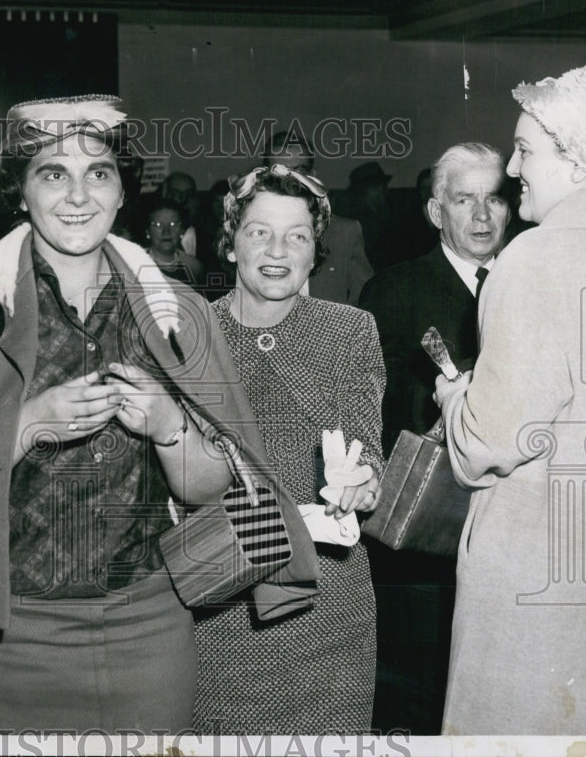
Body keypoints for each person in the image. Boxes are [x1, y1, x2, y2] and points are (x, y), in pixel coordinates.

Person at [0, 95, 320, 734]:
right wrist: (23, 427)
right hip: (4, 641)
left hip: (148, 632)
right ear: (19, 192)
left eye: (98, 173)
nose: (78, 196)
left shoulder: (180, 310)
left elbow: (217, 482)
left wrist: (168, 427)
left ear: (124, 190)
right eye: (52, 174)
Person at [434, 67, 586, 734]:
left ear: (576, 157)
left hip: (538, 581)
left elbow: (484, 446)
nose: (511, 167)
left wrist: (456, 397)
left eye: (526, 149)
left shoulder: (533, 258)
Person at [194, 164, 385, 734]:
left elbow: (367, 451)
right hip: (218, 608)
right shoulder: (189, 332)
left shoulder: (349, 329)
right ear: (230, 246)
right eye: (259, 232)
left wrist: (362, 483)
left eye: (297, 236)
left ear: (314, 254)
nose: (278, 250)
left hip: (328, 610)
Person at [357, 142, 511, 734]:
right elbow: (374, 411)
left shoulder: (528, 284)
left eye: (494, 198)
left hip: (509, 531)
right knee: (418, 696)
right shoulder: (393, 292)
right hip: (427, 540)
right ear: (434, 212)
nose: (480, 216)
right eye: (462, 199)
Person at [264, 130, 374, 305]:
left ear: (313, 175)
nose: (289, 180)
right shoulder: (250, 235)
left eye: (299, 170)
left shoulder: (344, 234)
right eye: (280, 172)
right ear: (265, 177)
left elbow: (367, 299)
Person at [143, 194, 205, 288]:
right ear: (148, 231)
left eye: (173, 224)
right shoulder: (135, 263)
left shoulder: (193, 266)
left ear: (182, 230)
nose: (166, 231)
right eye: (158, 224)